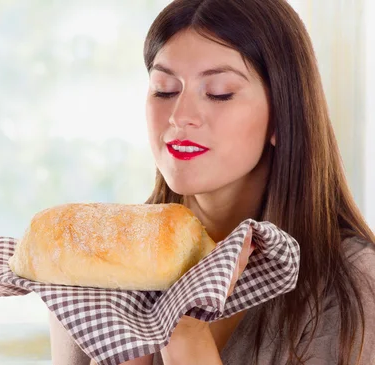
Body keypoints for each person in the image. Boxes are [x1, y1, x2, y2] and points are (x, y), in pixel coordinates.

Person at [48, 0, 375, 364]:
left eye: (219, 92)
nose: (180, 116)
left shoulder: (355, 285)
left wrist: (185, 329)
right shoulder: (93, 263)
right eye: (165, 89)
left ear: (283, 116)